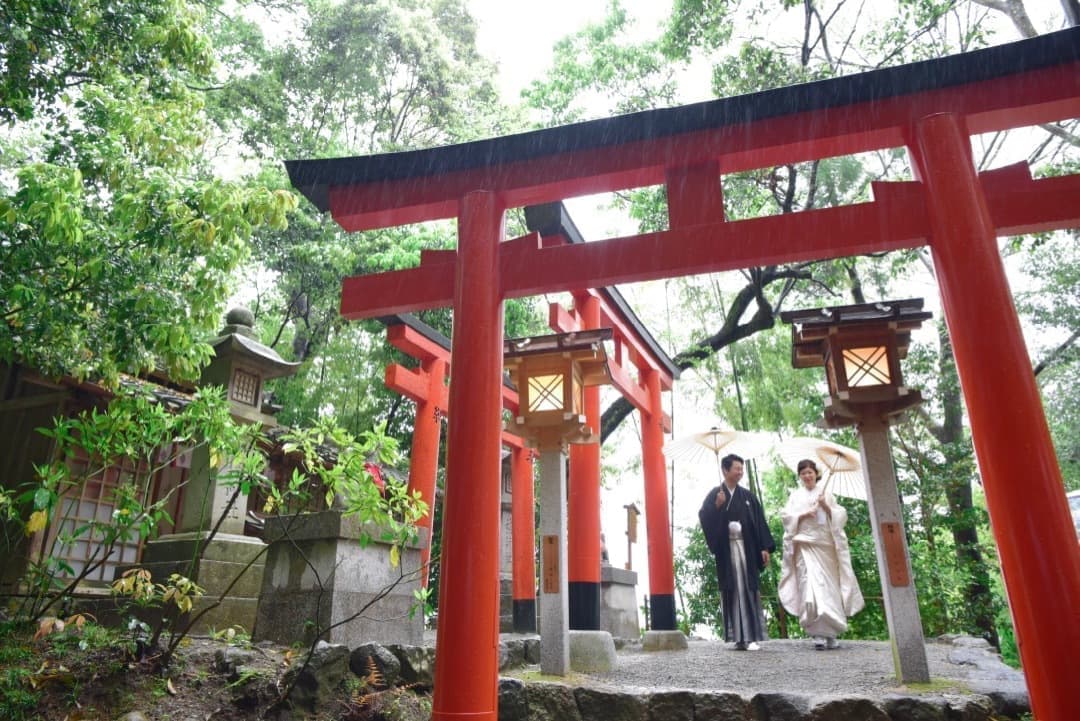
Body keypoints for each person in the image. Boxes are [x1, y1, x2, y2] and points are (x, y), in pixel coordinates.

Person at [778, 459, 865, 650]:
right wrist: (803, 514)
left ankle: (831, 632)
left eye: (810, 472)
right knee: (808, 586)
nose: (807, 476)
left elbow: (840, 517)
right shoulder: (795, 496)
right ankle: (817, 633)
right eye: (803, 473)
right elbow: (786, 517)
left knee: (828, 588)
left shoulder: (827, 494)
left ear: (816, 474)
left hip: (824, 546)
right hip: (804, 545)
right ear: (799, 476)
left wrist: (826, 506)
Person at [698, 453, 776, 651]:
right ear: (725, 470)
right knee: (732, 590)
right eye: (736, 468)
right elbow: (705, 517)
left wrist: (764, 547)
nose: (740, 472)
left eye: (742, 469)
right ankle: (739, 637)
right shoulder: (715, 494)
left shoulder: (748, 496)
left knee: (749, 588)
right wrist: (717, 507)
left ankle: (752, 636)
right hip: (728, 550)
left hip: (747, 549)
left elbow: (759, 522)